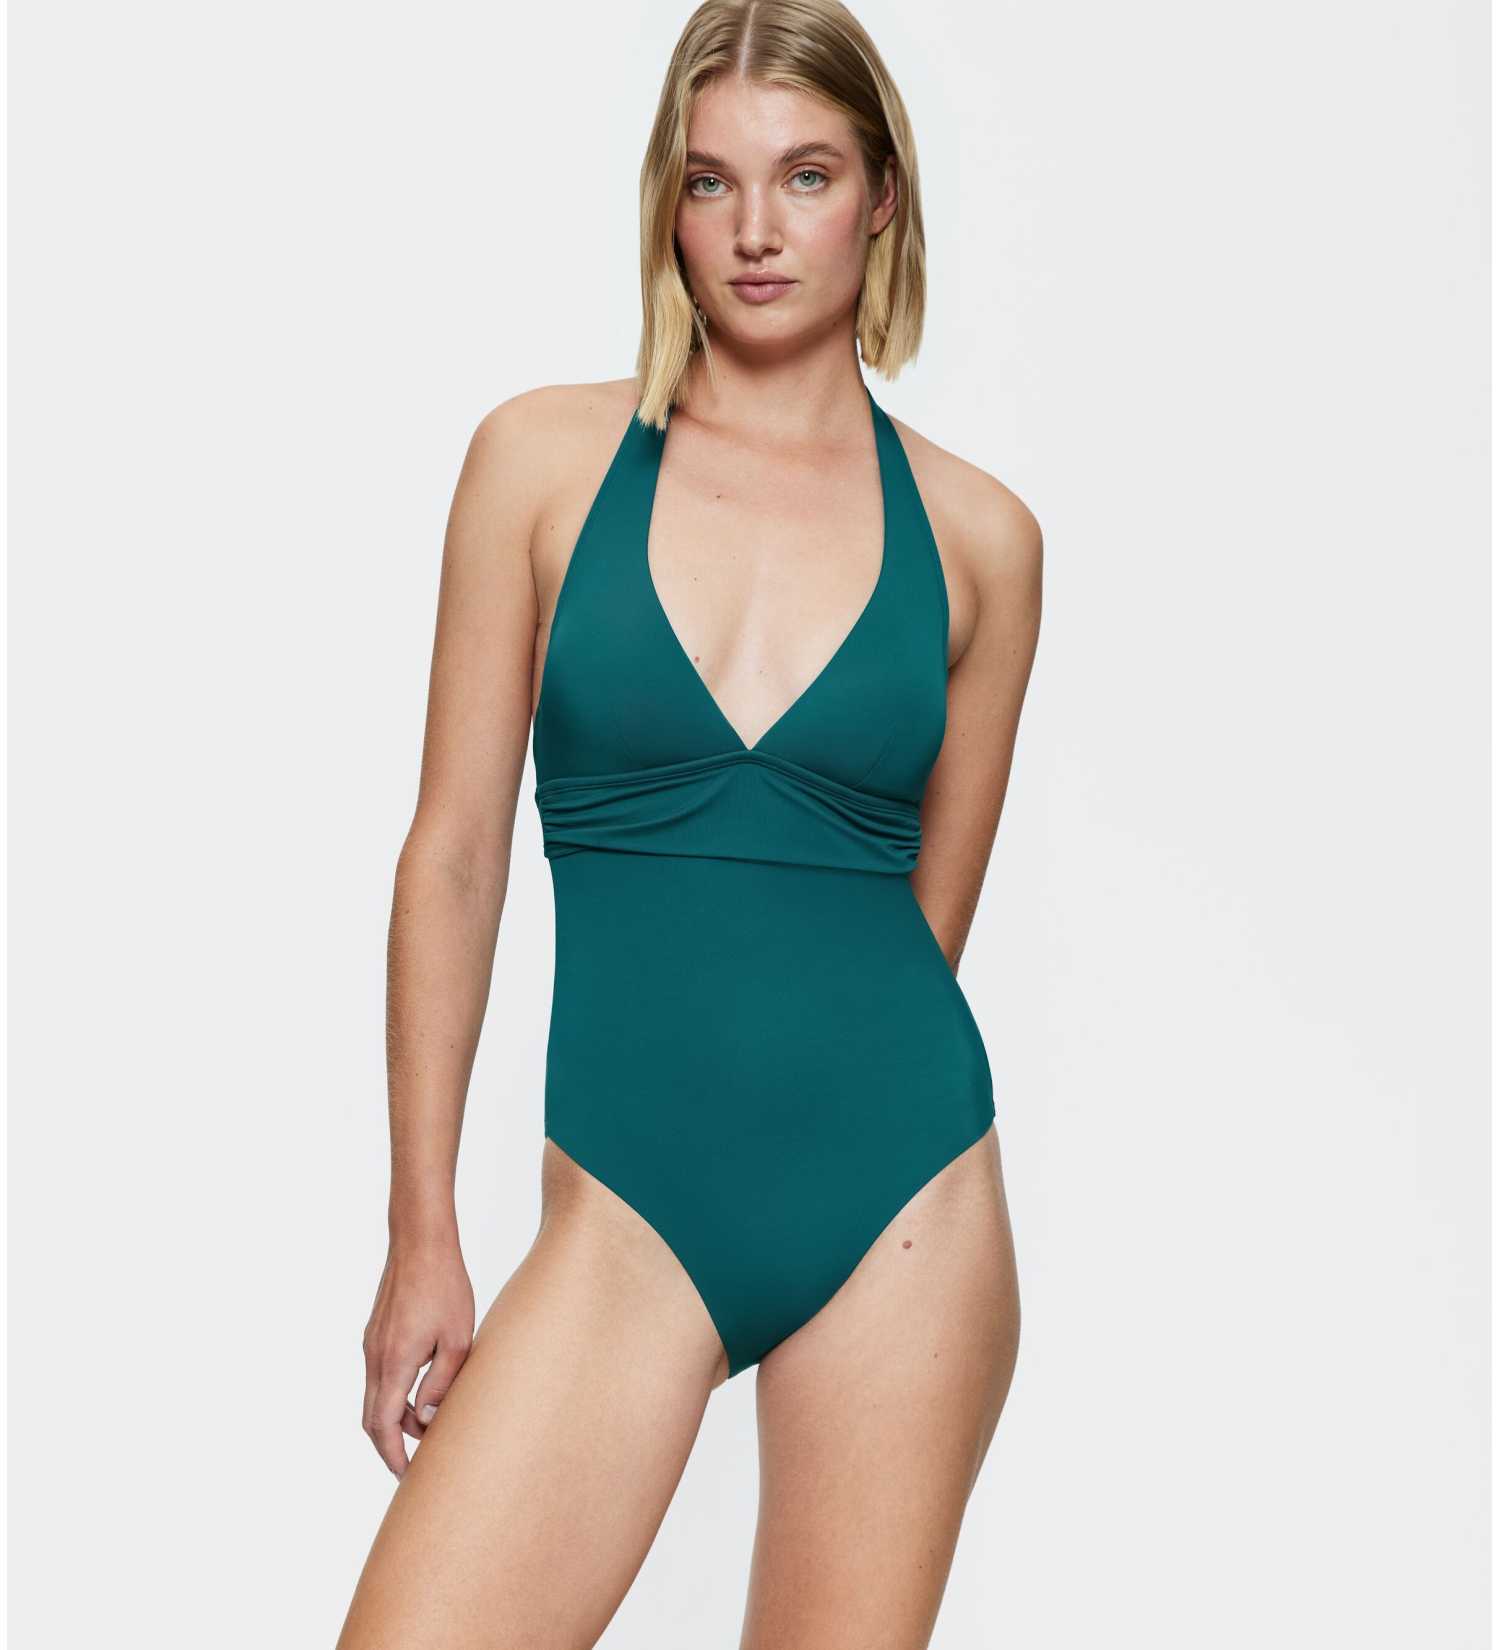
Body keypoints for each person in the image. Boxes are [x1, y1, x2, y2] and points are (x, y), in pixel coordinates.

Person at [337, 1, 1043, 1644]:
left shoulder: (983, 542)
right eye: (713, 181)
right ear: (668, 200)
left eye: (806, 175)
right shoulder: (540, 461)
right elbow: (454, 852)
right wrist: (423, 1226)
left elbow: (922, 933)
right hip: (628, 1201)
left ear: (881, 195)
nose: (756, 229)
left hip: (905, 1201)